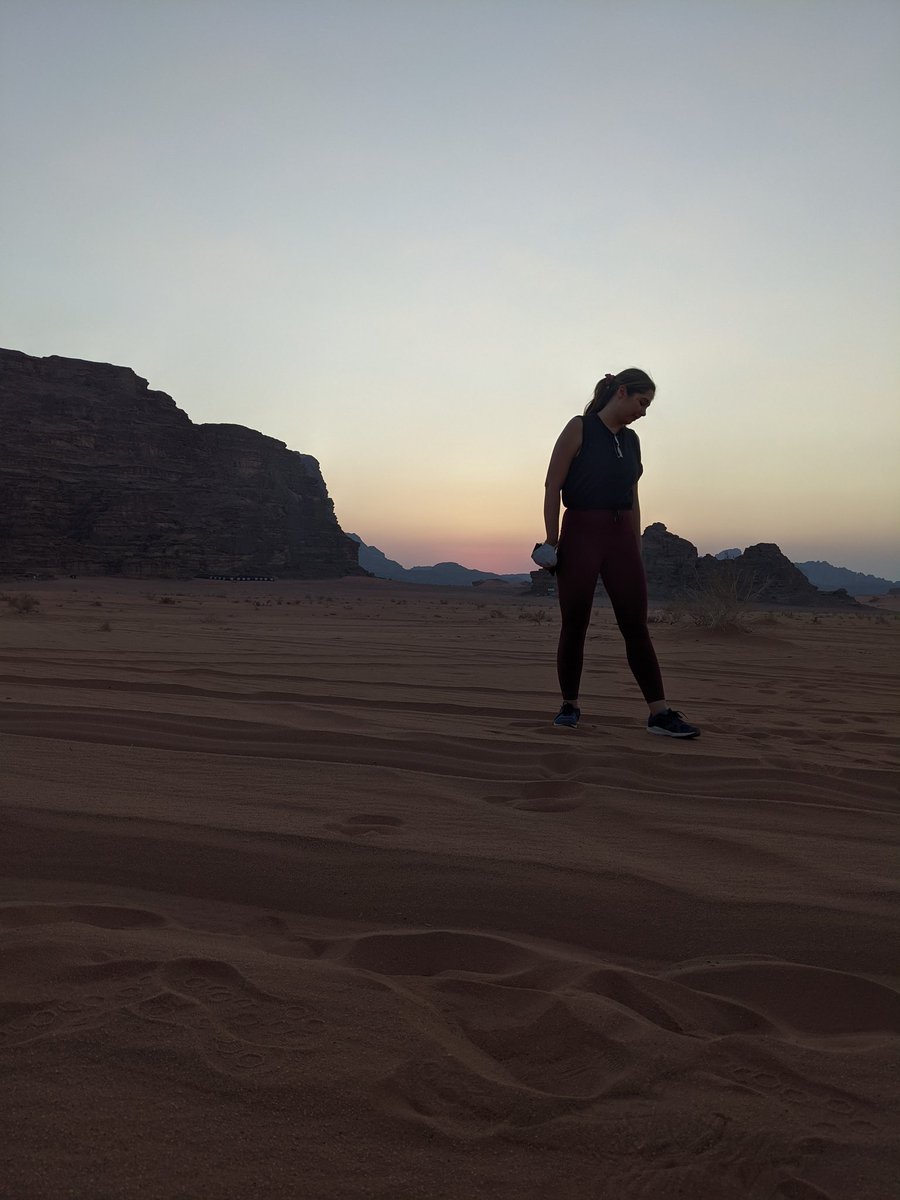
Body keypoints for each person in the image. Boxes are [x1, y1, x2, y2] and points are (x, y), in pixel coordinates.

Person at [533, 368, 700, 737]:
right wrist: (551, 539)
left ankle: (659, 713)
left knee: (635, 625)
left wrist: (634, 545)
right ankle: (569, 706)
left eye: (648, 405)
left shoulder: (633, 440)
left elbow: (633, 496)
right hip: (581, 533)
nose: (644, 412)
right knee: (575, 623)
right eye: (642, 402)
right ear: (621, 392)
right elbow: (552, 485)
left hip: (621, 537)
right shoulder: (579, 427)